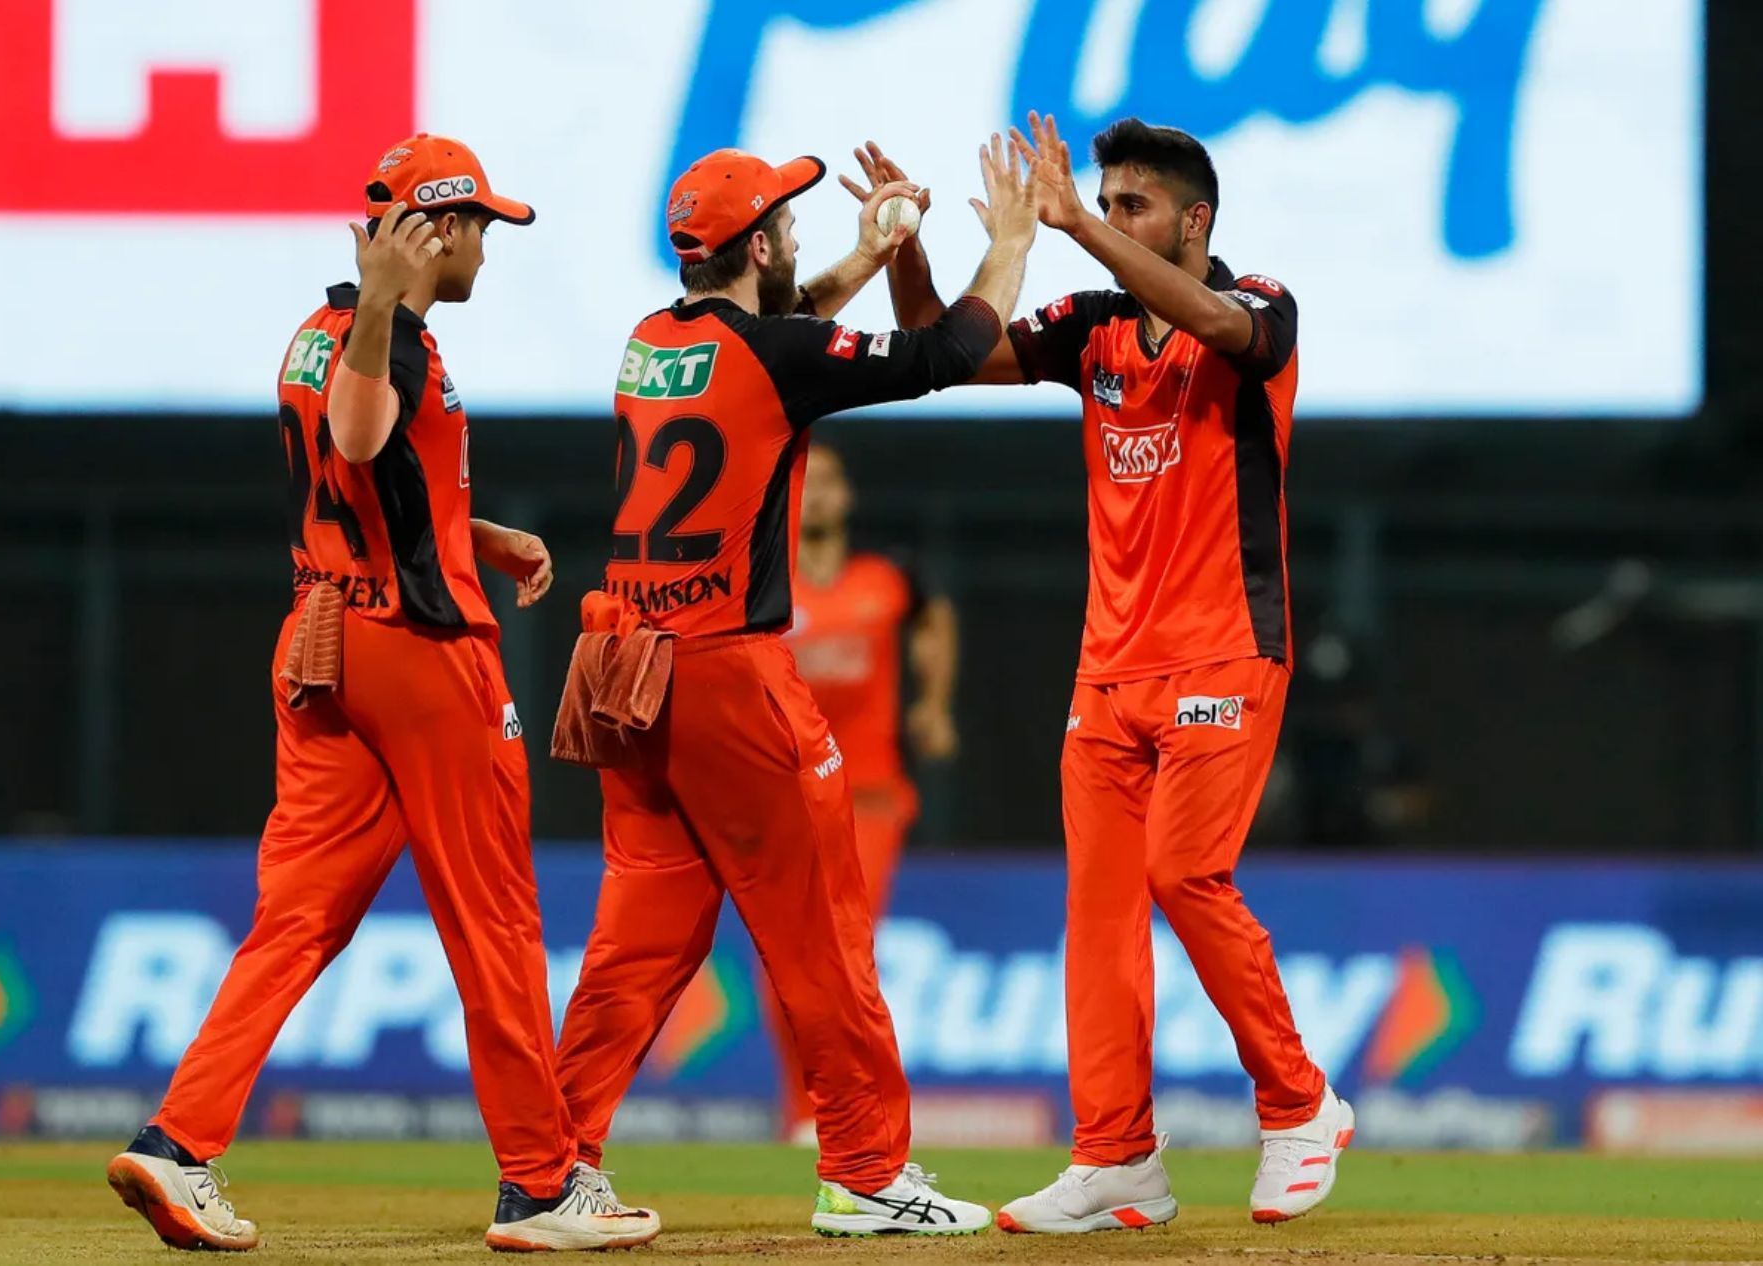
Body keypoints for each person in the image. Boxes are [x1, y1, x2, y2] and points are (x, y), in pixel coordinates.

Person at [103, 134, 659, 1254]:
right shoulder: (380, 333)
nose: (486, 253)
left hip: (318, 638)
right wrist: (382, 304)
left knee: (295, 920)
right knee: (493, 915)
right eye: (479, 230)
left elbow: (357, 474)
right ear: (435, 231)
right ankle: (541, 1185)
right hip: (419, 652)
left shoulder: (312, 336)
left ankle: (179, 1144)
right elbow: (362, 433)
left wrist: (472, 531)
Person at [847, 114, 1353, 1233]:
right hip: (1108, 672)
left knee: (1185, 874)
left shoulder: (1259, 305)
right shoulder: (1090, 328)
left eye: (1134, 206)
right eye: (1106, 201)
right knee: (1100, 912)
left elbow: (1219, 322)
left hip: (1225, 647)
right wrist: (907, 250)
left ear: (1194, 219)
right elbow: (938, 350)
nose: (1115, 219)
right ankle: (1117, 1157)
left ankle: (1300, 1101)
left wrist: (1071, 223)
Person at [550, 139, 1035, 1237]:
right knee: (823, 932)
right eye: (791, 230)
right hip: (728, 671)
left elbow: (780, 338)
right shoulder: (776, 351)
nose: (802, 245)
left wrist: (865, 256)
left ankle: (548, 1167)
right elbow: (947, 352)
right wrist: (1007, 246)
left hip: (628, 669)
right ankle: (864, 1172)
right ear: (759, 244)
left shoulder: (648, 342)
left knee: (635, 947)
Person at [771, 440, 958, 1140]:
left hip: (869, 794)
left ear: (847, 497)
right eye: (805, 482)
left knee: (846, 949)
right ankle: (804, 1109)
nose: (817, 495)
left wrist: (934, 703)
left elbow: (935, 619)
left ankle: (857, 1107)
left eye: (828, 481)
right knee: (789, 957)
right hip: (783, 797)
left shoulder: (886, 578)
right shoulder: (769, 579)